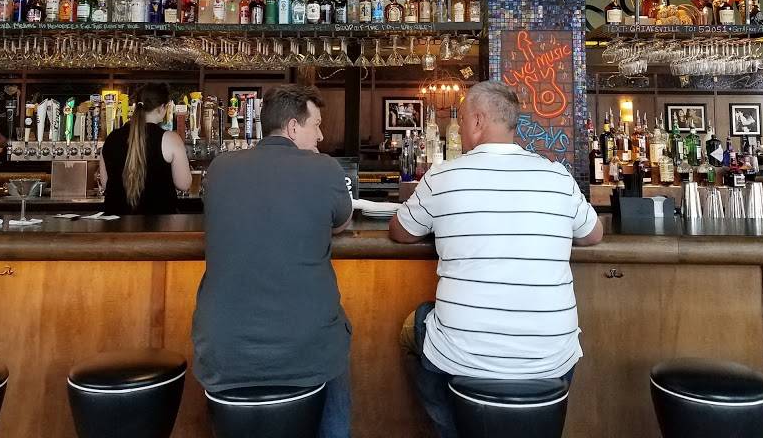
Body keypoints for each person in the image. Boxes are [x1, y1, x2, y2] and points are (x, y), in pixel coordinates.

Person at [390, 80, 603, 438]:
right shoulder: (556, 176)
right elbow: (593, 234)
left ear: (477, 121)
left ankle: (454, 430)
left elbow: (401, 231)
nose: (459, 129)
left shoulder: (443, 176)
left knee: (411, 329)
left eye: (460, 120)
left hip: (462, 357)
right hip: (551, 358)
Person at [192, 85, 353, 438]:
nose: (321, 136)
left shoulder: (220, 167)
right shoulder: (324, 168)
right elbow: (341, 222)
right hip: (305, 350)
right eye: (317, 125)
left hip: (222, 351)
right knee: (335, 347)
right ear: (294, 127)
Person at [99, 83, 192, 215]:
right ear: (163, 107)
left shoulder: (111, 138)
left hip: (115, 223)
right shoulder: (171, 139)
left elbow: (105, 184)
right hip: (160, 224)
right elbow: (184, 184)